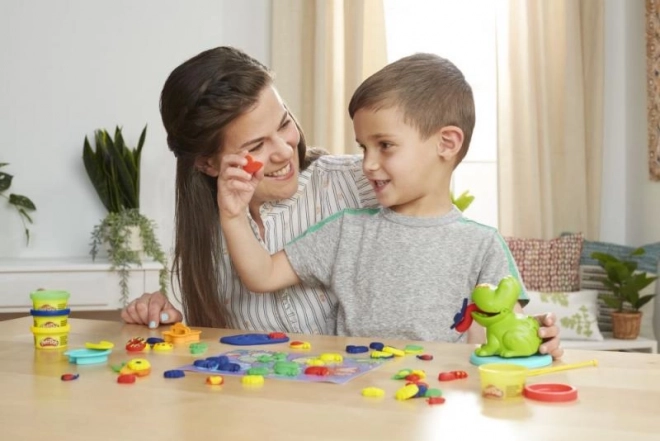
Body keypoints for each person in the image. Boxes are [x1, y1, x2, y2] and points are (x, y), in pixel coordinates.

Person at [120, 46, 563, 357]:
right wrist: (163, 302)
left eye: (285, 123)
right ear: (208, 164)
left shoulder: (358, 183)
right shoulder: (210, 233)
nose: (283, 150)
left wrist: (525, 340)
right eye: (256, 144)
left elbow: (443, 240)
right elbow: (227, 288)